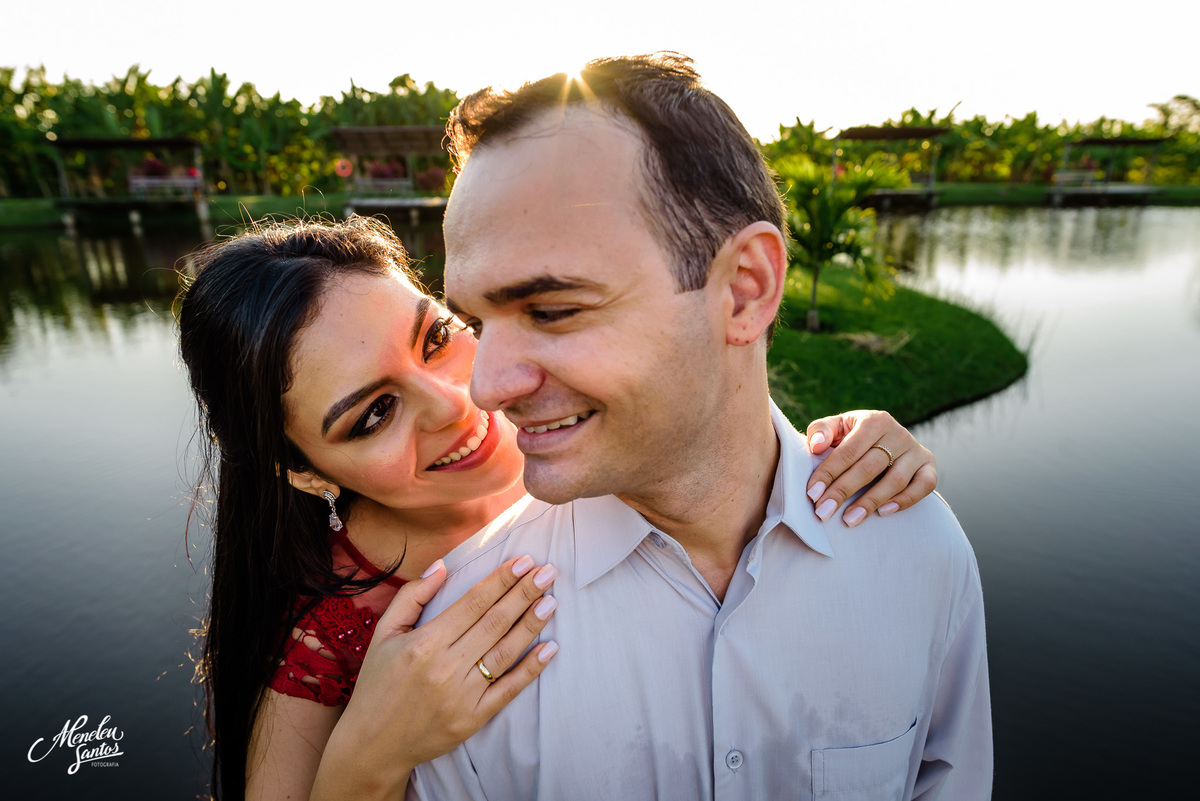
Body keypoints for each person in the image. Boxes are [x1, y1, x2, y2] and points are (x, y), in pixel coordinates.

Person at [176, 216, 940, 800]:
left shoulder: (592, 446)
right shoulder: (327, 637)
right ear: (305, 472)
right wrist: (372, 752)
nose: (456, 401)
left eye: (437, 337)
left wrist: (831, 452)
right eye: (374, 413)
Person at [410, 53, 991, 799]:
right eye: (474, 321)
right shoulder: (460, 640)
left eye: (551, 311)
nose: (487, 388)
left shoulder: (919, 551)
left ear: (744, 290)